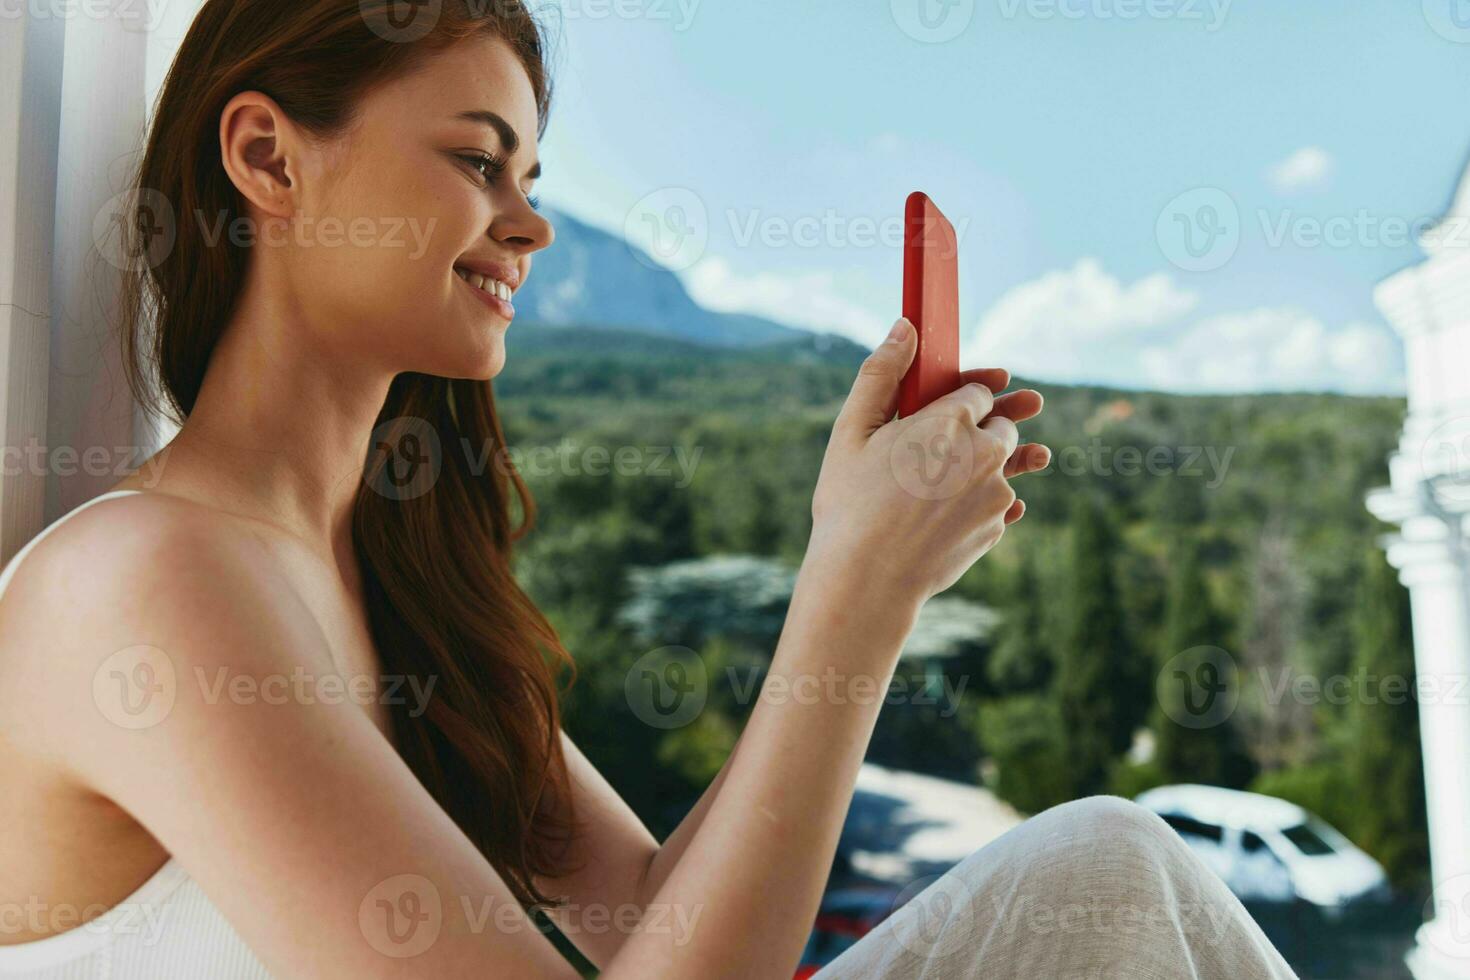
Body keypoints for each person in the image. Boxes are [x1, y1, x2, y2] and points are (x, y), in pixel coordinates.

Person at [0, 0, 1296, 977]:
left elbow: (666, 924)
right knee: (1109, 873)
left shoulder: (394, 600)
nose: (530, 222)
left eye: (531, 178)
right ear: (270, 161)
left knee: (1113, 869)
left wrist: (864, 579)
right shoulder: (142, 578)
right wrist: (854, 592)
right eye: (475, 160)